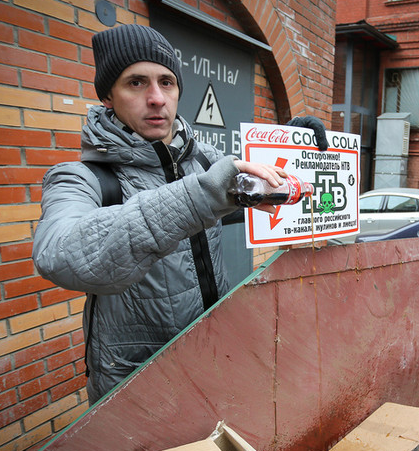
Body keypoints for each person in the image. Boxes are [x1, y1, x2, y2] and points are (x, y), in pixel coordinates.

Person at [33, 23, 327, 404]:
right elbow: (59, 254)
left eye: (167, 82)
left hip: (216, 358)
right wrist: (202, 196)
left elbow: (253, 196)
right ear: (108, 96)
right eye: (136, 83)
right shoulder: (81, 177)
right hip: (138, 383)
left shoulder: (204, 159)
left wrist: (290, 147)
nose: (156, 98)